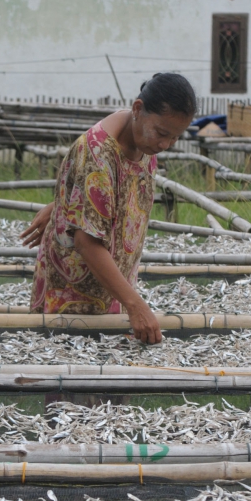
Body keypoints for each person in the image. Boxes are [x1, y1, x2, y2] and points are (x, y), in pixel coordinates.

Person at [21, 73, 196, 344]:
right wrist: (136, 305)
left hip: (114, 288)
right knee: (67, 371)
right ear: (138, 109)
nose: (164, 145)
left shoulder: (142, 142)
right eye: (162, 134)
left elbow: (103, 194)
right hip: (75, 295)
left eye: (174, 138)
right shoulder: (98, 153)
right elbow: (87, 243)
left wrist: (62, 204)